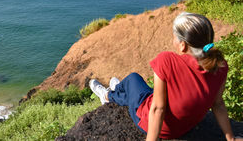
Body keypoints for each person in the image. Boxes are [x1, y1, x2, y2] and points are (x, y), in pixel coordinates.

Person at [89, 12, 241, 141]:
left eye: (175, 37)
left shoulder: (167, 61)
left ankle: (108, 96)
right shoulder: (220, 65)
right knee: (140, 89)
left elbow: (158, 108)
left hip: (155, 125)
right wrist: (231, 138)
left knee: (133, 79)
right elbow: (218, 104)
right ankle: (119, 91)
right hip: (185, 126)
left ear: (183, 45)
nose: (173, 40)